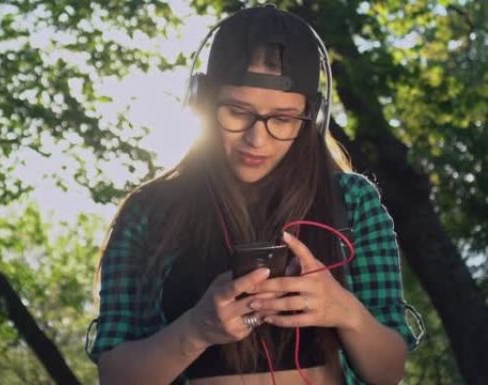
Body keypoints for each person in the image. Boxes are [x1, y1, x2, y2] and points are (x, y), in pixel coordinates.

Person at [87, 5, 419, 385]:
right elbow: (114, 377)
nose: (256, 139)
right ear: (202, 102)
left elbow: (389, 371)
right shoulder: (147, 213)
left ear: (313, 117)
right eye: (237, 111)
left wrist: (345, 311)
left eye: (282, 119)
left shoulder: (354, 201)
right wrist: (195, 330)